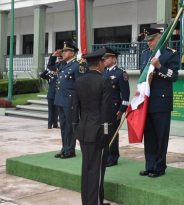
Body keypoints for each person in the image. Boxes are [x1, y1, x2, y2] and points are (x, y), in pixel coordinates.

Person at [72, 47, 112, 205]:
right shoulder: (104, 81)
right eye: (104, 61)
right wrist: (106, 132)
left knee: (87, 168)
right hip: (98, 131)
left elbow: (75, 107)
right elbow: (105, 111)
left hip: (83, 130)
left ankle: (89, 202)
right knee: (97, 171)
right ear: (100, 63)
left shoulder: (79, 81)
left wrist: (75, 127)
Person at [137, 28, 180, 178]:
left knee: (161, 136)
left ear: (160, 39)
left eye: (151, 40)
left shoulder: (170, 54)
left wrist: (159, 66)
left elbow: (174, 76)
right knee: (149, 136)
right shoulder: (145, 54)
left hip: (161, 101)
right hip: (147, 101)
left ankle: (159, 166)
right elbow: (142, 76)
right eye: (147, 40)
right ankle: (149, 165)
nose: (148, 43)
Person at [53, 41, 83, 159]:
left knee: (70, 126)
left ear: (72, 53)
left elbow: (80, 85)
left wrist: (78, 102)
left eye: (65, 51)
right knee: (64, 126)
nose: (63, 53)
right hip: (60, 99)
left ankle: (70, 150)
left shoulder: (77, 66)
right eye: (63, 51)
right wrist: (53, 56)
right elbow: (51, 67)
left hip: (70, 101)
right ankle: (64, 148)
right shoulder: (63, 65)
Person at [102, 47, 130, 167]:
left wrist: (121, 110)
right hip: (104, 108)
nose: (104, 60)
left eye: (107, 58)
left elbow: (126, 94)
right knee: (104, 132)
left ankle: (113, 157)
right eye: (104, 59)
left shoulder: (120, 73)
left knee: (112, 133)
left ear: (114, 59)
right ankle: (106, 155)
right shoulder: (104, 72)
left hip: (114, 109)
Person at [42, 49, 62, 129]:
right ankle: (50, 125)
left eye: (61, 58)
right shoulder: (52, 74)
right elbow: (49, 66)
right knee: (51, 111)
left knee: (56, 112)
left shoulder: (62, 68)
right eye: (59, 58)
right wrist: (53, 55)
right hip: (50, 95)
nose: (60, 59)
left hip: (57, 95)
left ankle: (55, 124)